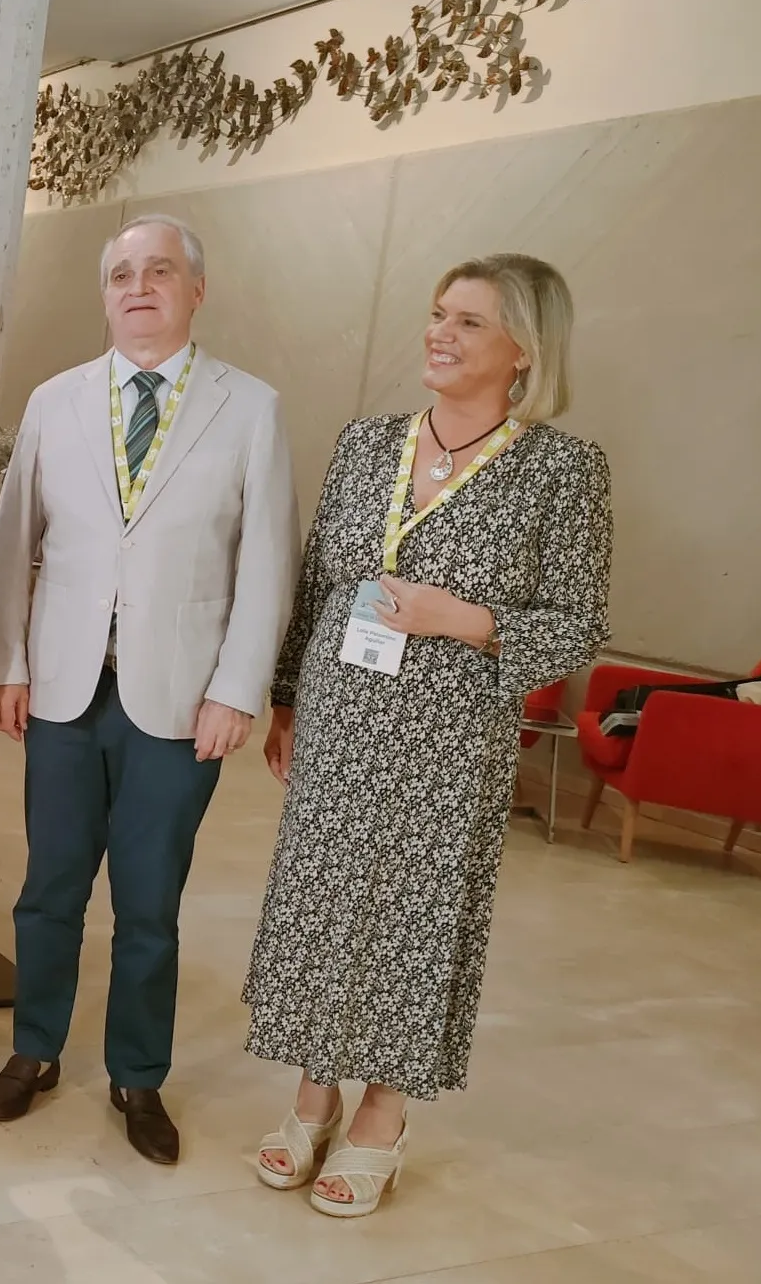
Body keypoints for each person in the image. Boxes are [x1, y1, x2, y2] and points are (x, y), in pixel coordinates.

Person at [245, 254, 612, 1217]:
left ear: (525, 350)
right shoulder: (369, 443)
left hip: (452, 736)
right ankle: (313, 1093)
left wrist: (469, 619)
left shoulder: (562, 470)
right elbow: (317, 580)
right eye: (439, 313)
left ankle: (383, 1116)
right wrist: (286, 697)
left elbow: (578, 624)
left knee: (416, 919)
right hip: (341, 715)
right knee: (321, 902)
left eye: (470, 322)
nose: (440, 334)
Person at [0, 215, 297, 1162]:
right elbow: (11, 546)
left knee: (149, 903)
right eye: (121, 274)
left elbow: (267, 563)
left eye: (159, 271)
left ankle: (138, 1074)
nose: (139, 287)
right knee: (49, 888)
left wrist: (238, 688)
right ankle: (35, 1048)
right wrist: (6, 664)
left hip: (180, 698)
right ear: (105, 294)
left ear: (197, 290)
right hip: (65, 691)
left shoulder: (251, 408)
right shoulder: (56, 400)